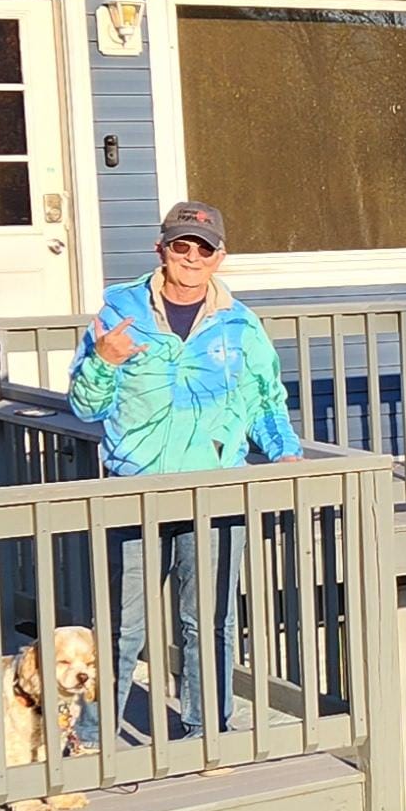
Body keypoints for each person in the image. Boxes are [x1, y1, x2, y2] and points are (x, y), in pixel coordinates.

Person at [70, 201, 299, 739]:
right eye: (181, 245)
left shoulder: (240, 325)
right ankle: (96, 740)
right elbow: (84, 407)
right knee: (122, 624)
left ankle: (207, 733)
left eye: (204, 248)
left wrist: (285, 452)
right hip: (136, 491)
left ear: (220, 257)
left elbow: (266, 401)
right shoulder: (119, 313)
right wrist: (104, 360)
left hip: (214, 491)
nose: (192, 257)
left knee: (210, 622)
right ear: (162, 250)